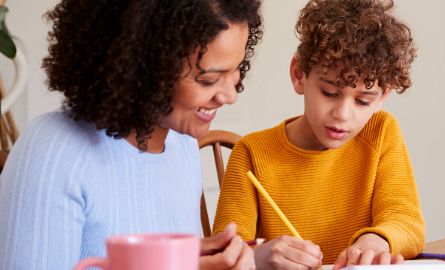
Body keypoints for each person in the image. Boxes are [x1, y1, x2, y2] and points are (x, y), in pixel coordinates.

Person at [0, 0, 263, 269]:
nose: (231, 95)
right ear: (144, 66)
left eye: (236, 70)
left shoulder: (181, 144)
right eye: (208, 80)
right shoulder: (53, 152)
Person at [211, 0, 424, 269]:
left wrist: (376, 240)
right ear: (299, 76)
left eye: (363, 101)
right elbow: (224, 251)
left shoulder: (381, 131)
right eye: (330, 93)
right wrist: (258, 256)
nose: (343, 115)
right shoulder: (252, 152)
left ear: (383, 96)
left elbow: (407, 221)